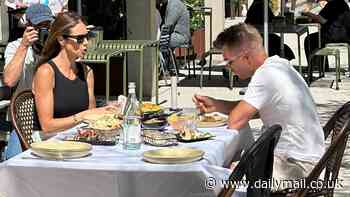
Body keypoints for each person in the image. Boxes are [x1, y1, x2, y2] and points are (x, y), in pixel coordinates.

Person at [193, 23, 325, 189]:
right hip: (306, 160)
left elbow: (235, 122)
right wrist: (216, 105)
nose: (229, 68)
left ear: (246, 57)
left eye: (229, 62)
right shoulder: (279, 65)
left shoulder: (265, 75)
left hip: (297, 168)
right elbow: (258, 110)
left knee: (212, 179)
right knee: (229, 167)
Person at [33, 11, 114, 133]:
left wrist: (108, 111)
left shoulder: (87, 71)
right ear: (61, 39)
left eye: (88, 36)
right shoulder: (46, 72)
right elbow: (47, 125)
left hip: (79, 139)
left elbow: (91, 118)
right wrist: (82, 116)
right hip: (50, 144)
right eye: (80, 39)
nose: (86, 43)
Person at [3, 4, 54, 159]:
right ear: (28, 27)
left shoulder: (57, 47)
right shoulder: (16, 46)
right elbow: (9, 80)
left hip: (53, 118)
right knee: (13, 163)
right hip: (25, 119)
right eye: (39, 26)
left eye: (47, 26)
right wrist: (24, 46)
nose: (44, 30)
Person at [303, 0, 349, 73]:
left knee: (309, 39)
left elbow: (321, 20)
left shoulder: (332, 4)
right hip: (346, 36)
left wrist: (308, 14)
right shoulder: (343, 4)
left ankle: (315, 67)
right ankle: (323, 67)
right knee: (317, 38)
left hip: (333, 35)